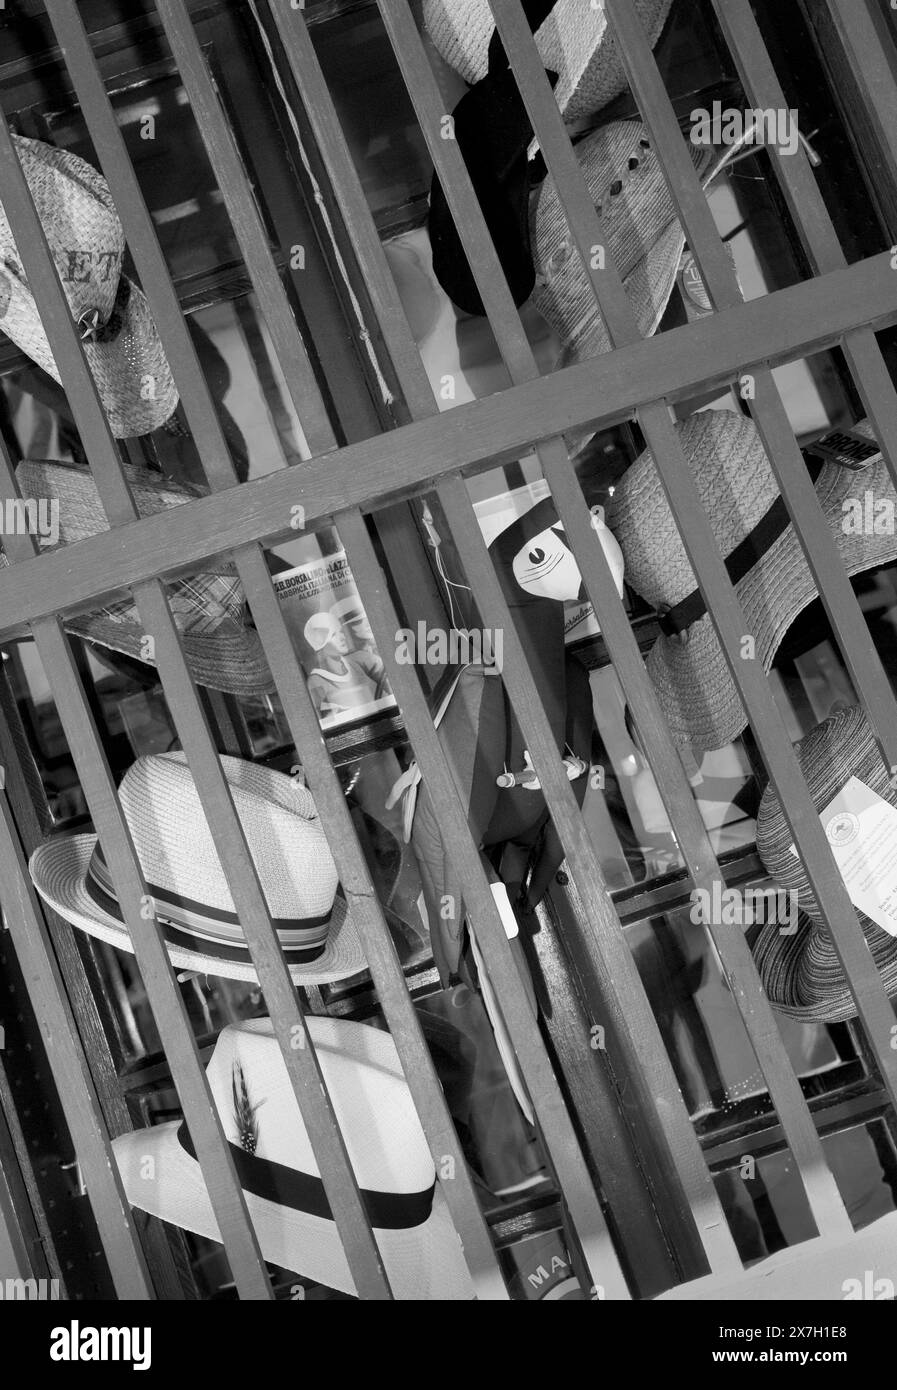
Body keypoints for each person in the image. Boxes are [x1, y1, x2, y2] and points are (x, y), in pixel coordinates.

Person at [303, 611, 388, 720]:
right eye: (333, 635)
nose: (343, 637)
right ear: (320, 643)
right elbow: (323, 722)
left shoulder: (360, 659)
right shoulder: (316, 682)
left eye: (341, 631)